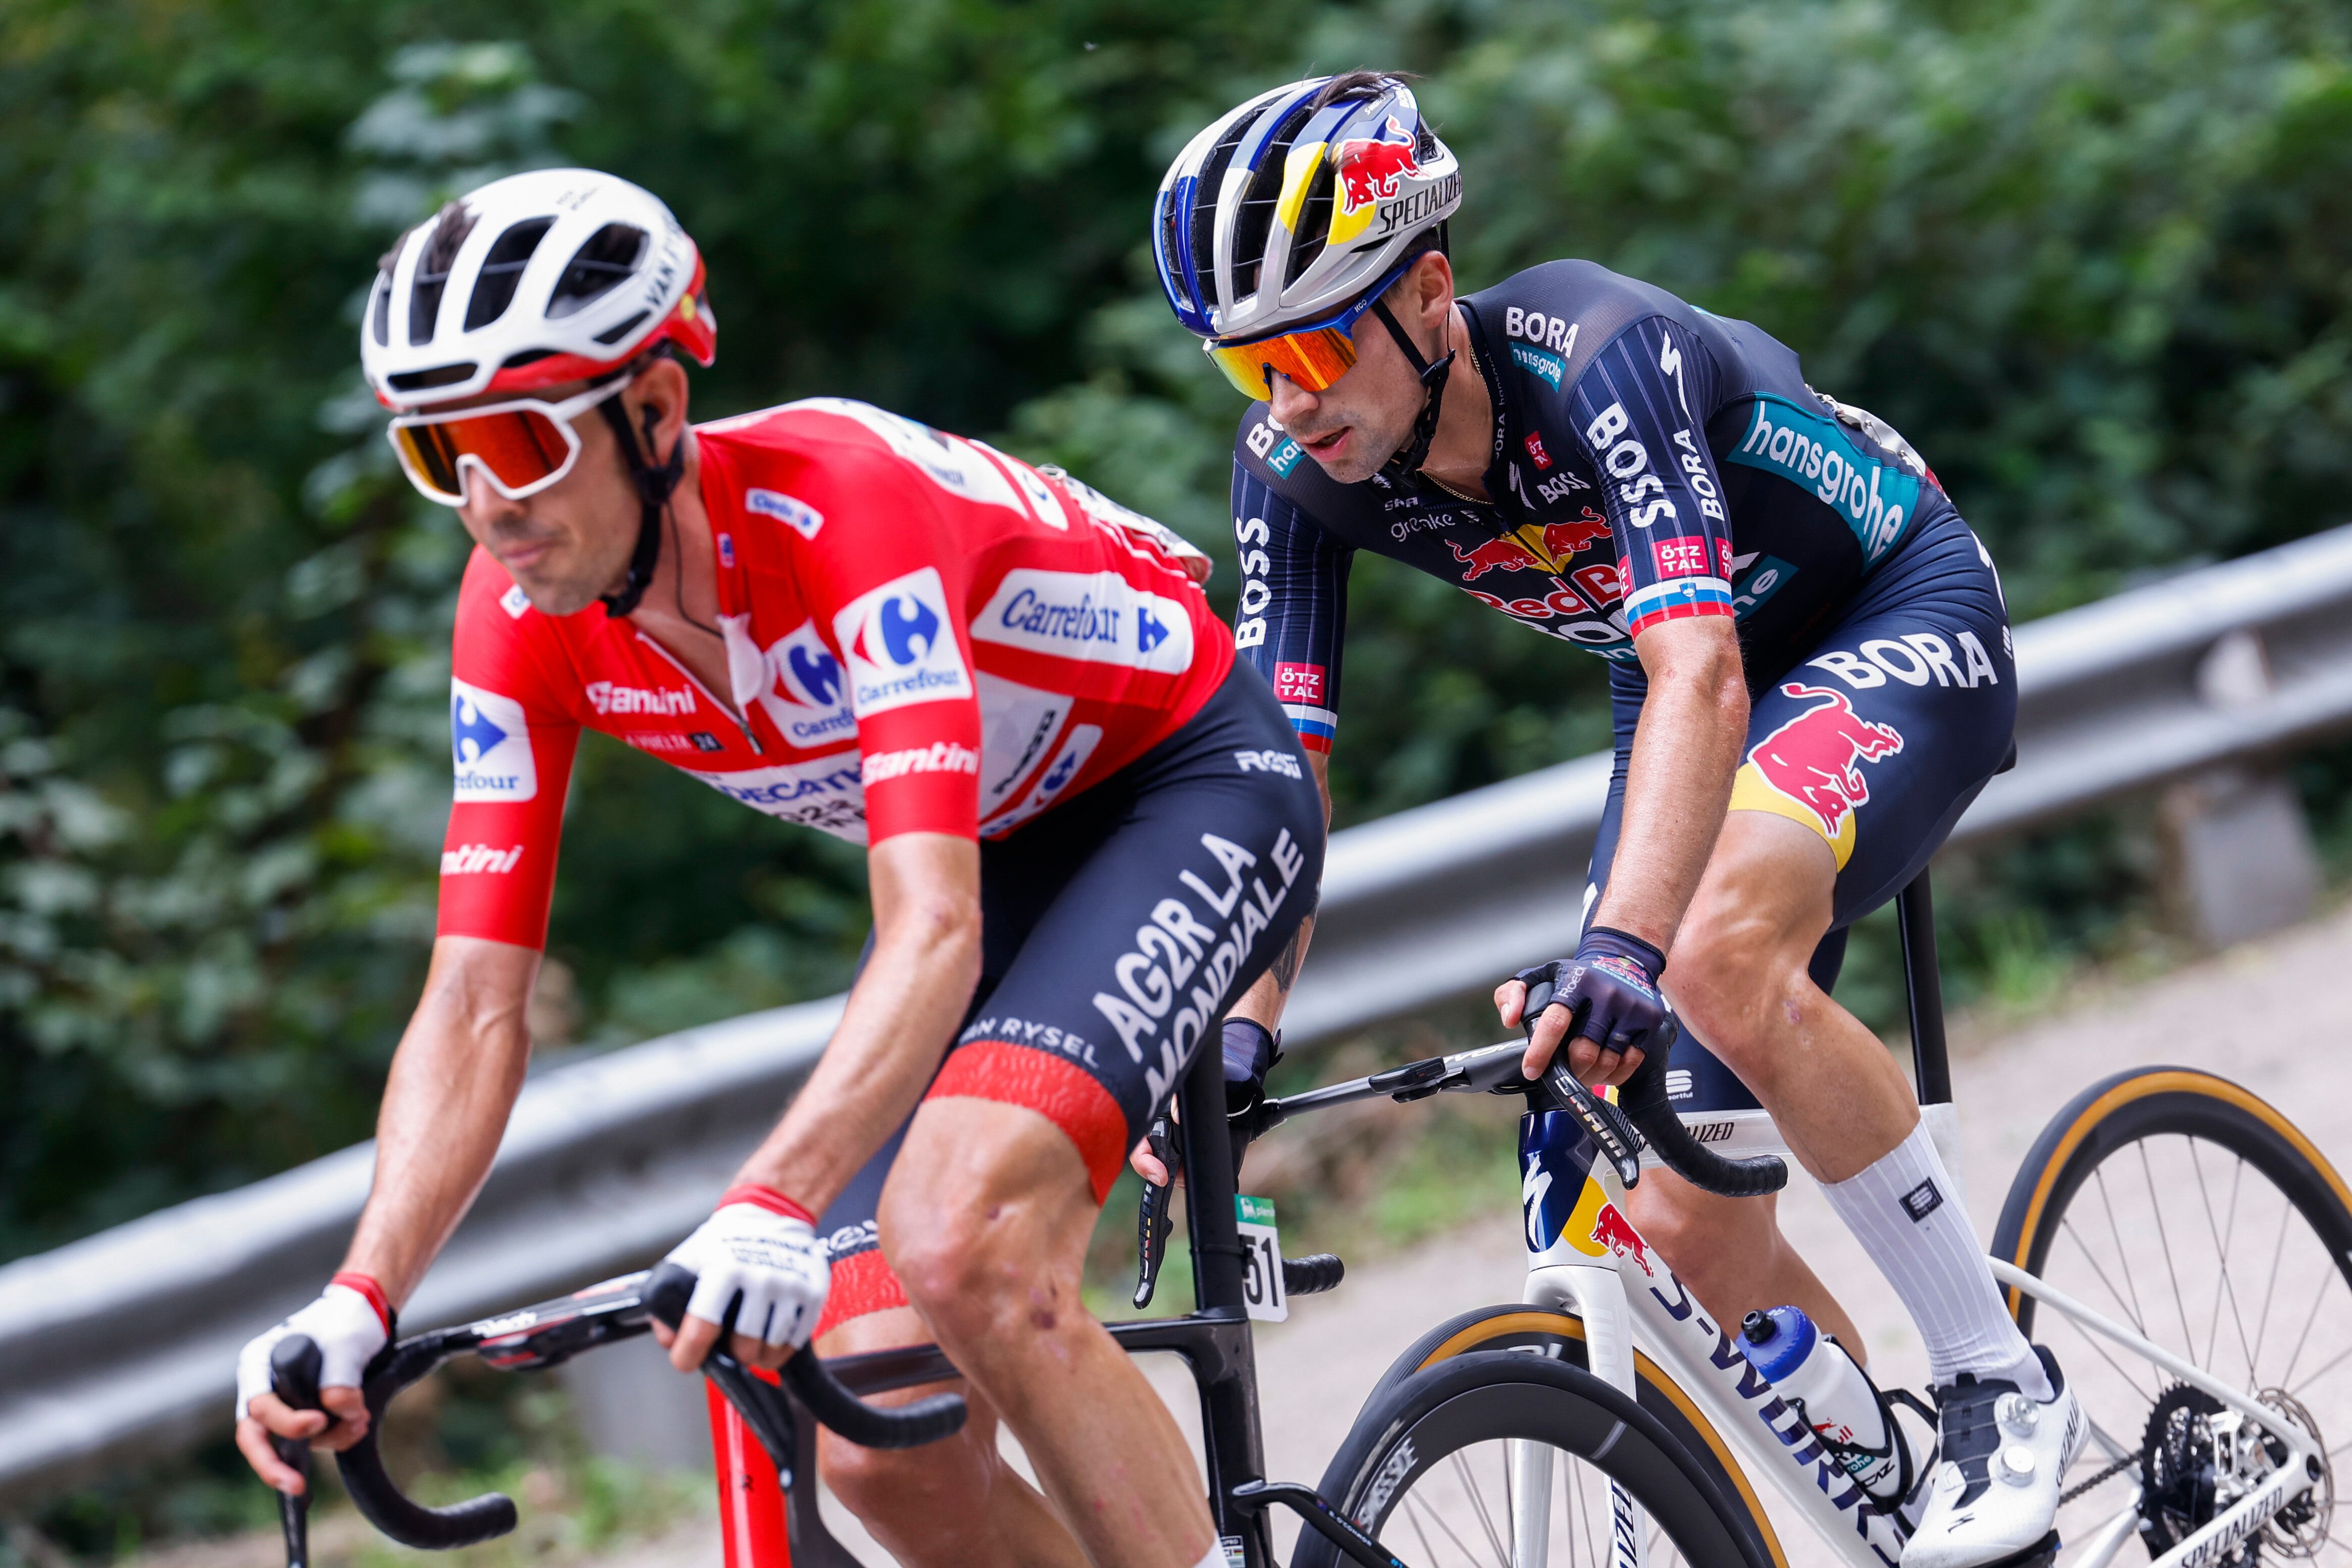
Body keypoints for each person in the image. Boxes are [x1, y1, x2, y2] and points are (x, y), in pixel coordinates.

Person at [230, 168, 1321, 1568]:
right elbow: (474, 1002)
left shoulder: (839, 505)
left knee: (969, 1241)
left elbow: (929, 927)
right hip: (998, 859)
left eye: (520, 438)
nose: (491, 505)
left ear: (656, 412)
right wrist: (363, 1295)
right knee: (879, 1435)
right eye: (444, 457)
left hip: (1183, 790)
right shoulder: (517, 618)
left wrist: (771, 1199)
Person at [1152, 73, 2078, 1567]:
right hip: (1685, 685)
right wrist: (1231, 1029)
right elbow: (1278, 778)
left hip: (1876, 609)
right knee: (1647, 1188)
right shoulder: (1296, 476)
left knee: (1706, 960)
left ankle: (1994, 1376)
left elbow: (1699, 660)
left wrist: (1625, 948)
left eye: (1314, 345)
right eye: (1244, 369)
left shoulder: (1595, 348)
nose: (1289, 400)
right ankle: (1908, 1516)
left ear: (1428, 293)